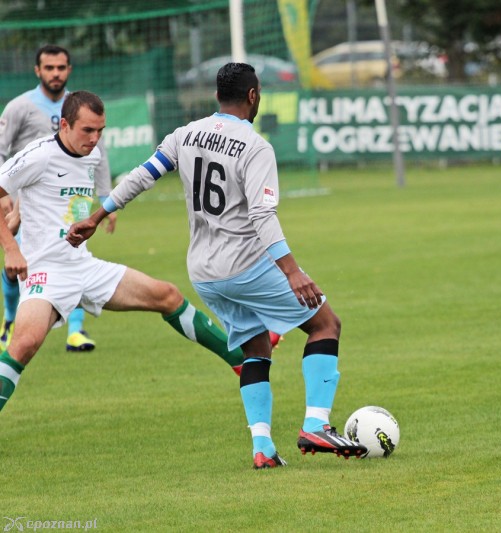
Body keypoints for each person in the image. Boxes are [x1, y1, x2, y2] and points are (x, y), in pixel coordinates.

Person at [67, 63, 366, 468]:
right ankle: (316, 423)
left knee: (256, 346)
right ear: (253, 96)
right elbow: (262, 215)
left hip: (204, 272)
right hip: (245, 263)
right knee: (325, 324)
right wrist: (294, 272)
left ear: (216, 97)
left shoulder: (185, 134)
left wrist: (96, 217)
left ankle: (262, 448)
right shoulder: (255, 146)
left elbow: (141, 176)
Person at [0, 92, 248, 420]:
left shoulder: (89, 155)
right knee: (24, 344)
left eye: (100, 130)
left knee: (167, 295)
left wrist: (20, 211)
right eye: (88, 130)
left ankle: (242, 362)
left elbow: (43, 197)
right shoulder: (39, 155)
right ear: (64, 125)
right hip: (46, 269)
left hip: (83, 265)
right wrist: (13, 247)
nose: (95, 139)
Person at [0, 44, 116, 352]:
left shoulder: (81, 108)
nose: (56, 73)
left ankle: (75, 331)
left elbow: (97, 157)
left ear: (69, 70)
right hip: (27, 199)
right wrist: (6, 197)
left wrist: (106, 196)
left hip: (66, 198)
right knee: (15, 267)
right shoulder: (19, 107)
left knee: (71, 253)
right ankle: (11, 319)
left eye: (61, 67)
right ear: (38, 71)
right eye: (49, 68)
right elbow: (3, 150)